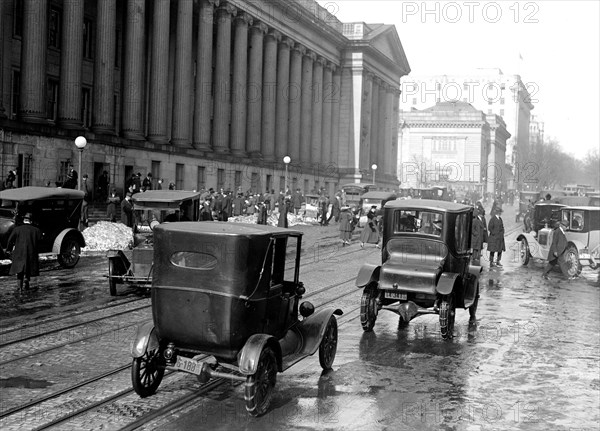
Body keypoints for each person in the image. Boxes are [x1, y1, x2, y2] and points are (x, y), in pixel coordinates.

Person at [6, 212, 42, 290]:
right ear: (31, 221)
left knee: (20, 270)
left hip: (19, 253)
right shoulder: (36, 230)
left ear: (24, 220)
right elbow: (40, 242)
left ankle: (19, 287)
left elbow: (10, 240)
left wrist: (9, 250)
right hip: (31, 253)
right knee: (28, 266)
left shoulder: (17, 229)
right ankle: (27, 279)